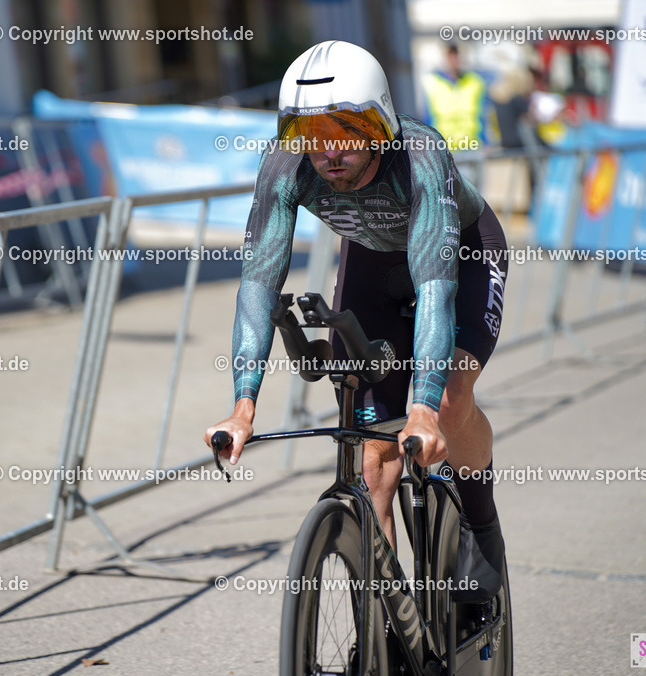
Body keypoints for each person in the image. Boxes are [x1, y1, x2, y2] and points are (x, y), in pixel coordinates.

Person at [203, 40, 508, 601]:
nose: (329, 153)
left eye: (345, 134)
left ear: (378, 126)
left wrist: (422, 410)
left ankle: (481, 526)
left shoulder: (418, 157)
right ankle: (386, 628)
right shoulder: (283, 167)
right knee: (373, 460)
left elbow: (437, 286)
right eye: (312, 137)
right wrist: (243, 405)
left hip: (459, 256)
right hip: (372, 263)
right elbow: (258, 280)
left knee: (448, 400)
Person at [421, 43, 487, 150]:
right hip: (444, 149)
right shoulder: (431, 82)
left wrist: (486, 142)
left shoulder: (475, 81)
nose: (454, 59)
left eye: (457, 55)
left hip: (473, 147)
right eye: (450, 55)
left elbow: (483, 115)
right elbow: (427, 118)